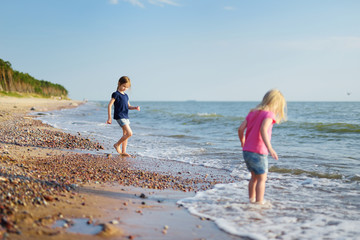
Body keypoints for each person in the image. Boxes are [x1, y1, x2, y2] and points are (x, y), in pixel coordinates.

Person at [238, 89, 287, 204]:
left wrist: (243, 141)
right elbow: (263, 130)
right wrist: (270, 148)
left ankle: (251, 201)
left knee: (253, 178)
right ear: (276, 103)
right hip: (259, 151)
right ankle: (259, 203)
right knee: (262, 179)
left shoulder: (252, 112)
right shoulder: (269, 114)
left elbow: (240, 129)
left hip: (247, 151)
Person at [107, 76, 140, 157]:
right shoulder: (116, 94)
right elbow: (110, 105)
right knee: (129, 133)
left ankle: (123, 151)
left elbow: (128, 106)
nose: (125, 88)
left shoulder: (126, 96)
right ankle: (117, 144)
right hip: (119, 116)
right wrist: (109, 118)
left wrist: (135, 107)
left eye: (127, 87)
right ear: (119, 83)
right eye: (124, 86)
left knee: (125, 134)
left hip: (125, 116)